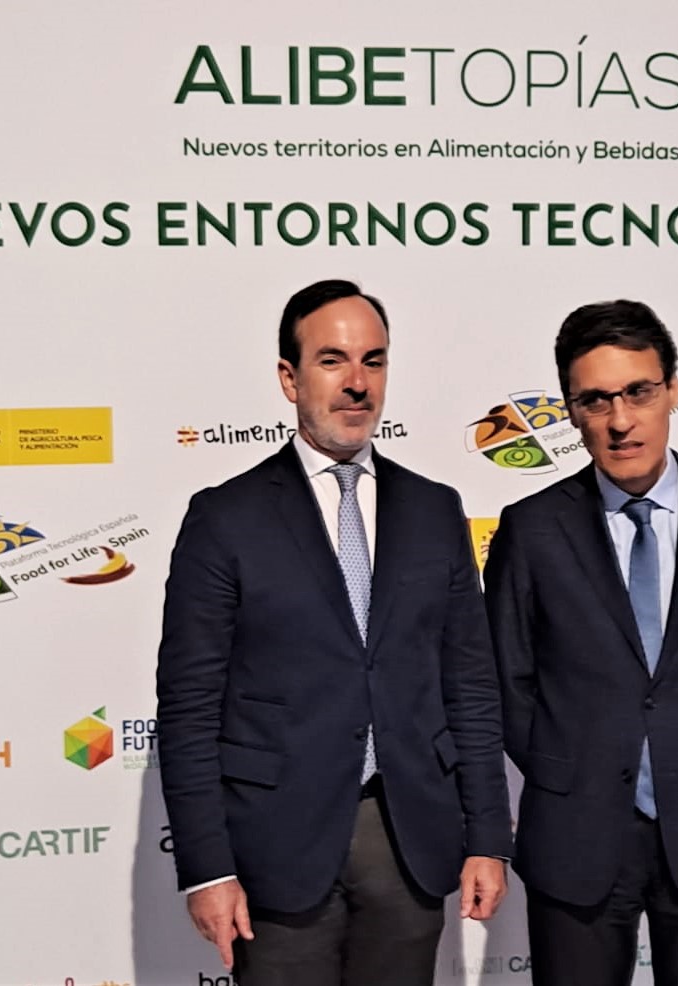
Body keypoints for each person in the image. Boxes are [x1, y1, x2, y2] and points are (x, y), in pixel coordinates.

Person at [156, 279, 511, 986]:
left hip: (408, 840)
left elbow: (470, 685)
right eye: (332, 360)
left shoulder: (435, 509)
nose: (357, 383)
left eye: (373, 361)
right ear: (289, 378)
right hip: (275, 844)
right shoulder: (225, 518)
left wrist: (488, 838)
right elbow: (189, 709)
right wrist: (207, 869)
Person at [484, 299, 678, 986]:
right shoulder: (531, 529)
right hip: (576, 836)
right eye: (595, 400)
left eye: (639, 392)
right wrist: (578, 773)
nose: (620, 420)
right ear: (571, 412)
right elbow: (509, 680)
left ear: (672, 390)